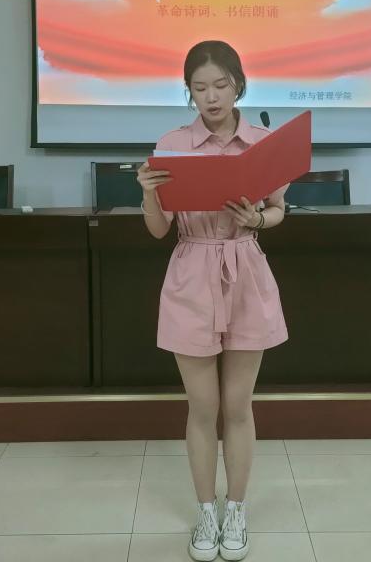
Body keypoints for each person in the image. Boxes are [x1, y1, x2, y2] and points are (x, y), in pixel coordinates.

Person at [136, 40, 289, 561]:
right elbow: (158, 230)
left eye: (221, 85)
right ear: (189, 92)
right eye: (200, 88)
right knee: (202, 407)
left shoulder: (262, 143)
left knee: (238, 406)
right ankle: (206, 511)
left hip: (245, 269)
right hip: (191, 272)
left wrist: (257, 218)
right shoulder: (173, 144)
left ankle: (236, 509)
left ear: (238, 84)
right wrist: (148, 192)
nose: (212, 96)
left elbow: (277, 211)